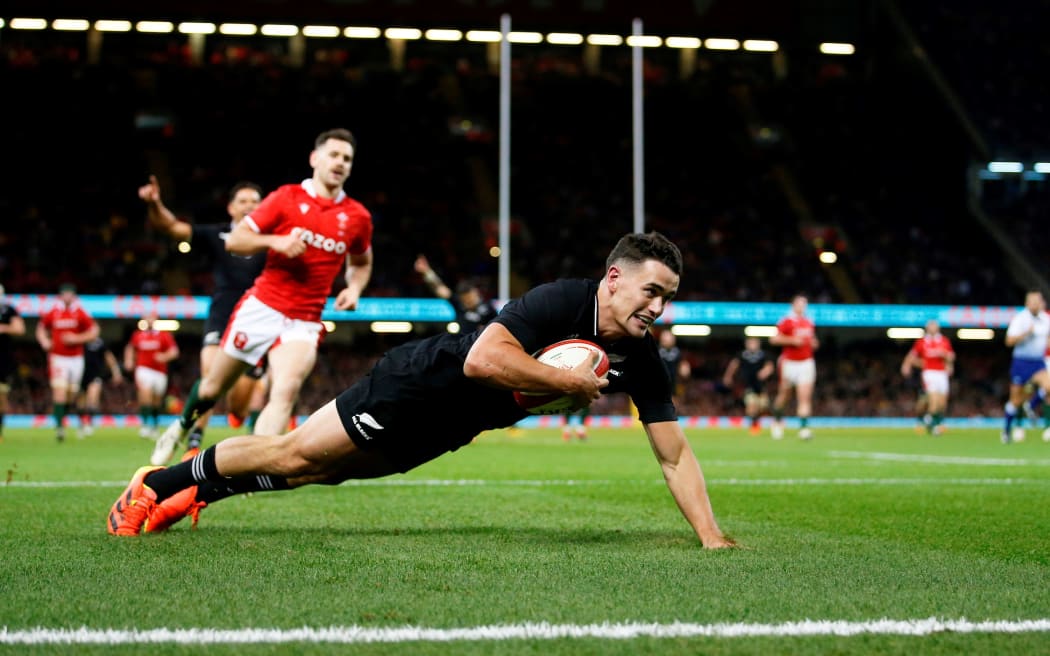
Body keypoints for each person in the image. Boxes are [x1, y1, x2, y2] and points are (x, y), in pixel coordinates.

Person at [106, 231, 736, 549]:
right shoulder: (561, 300)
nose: (658, 307)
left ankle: (200, 491)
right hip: (419, 383)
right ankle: (157, 483)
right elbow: (484, 361)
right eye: (651, 291)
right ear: (615, 278)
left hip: (452, 428)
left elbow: (674, 453)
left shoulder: (644, 359)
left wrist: (710, 537)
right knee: (295, 453)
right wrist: (567, 382)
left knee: (322, 475)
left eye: (668, 298)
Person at [149, 128, 374, 465]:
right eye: (333, 155)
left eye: (347, 158)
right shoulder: (285, 198)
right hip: (262, 307)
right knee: (212, 388)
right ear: (315, 158)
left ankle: (254, 466)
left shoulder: (357, 217)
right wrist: (277, 242)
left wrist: (354, 288)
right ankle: (179, 428)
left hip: (305, 319)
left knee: (285, 390)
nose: (340, 162)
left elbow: (361, 261)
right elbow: (236, 240)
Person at [139, 176, 267, 450]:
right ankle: (193, 441)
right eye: (243, 201)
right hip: (221, 315)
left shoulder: (271, 240)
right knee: (210, 376)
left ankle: (238, 415)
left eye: (255, 202)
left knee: (239, 405)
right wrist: (154, 203)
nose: (249, 206)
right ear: (231, 208)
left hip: (257, 321)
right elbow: (171, 227)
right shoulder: (217, 234)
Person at [35, 283, 99, 442]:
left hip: (75, 358)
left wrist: (77, 338)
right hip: (58, 358)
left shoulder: (80, 313)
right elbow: (41, 328)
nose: (67, 296)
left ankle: (66, 418)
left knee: (71, 395)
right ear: (61, 296)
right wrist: (44, 341)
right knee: (60, 392)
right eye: (65, 293)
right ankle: (59, 428)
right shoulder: (54, 312)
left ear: (74, 296)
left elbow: (94, 331)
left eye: (70, 293)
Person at [1001, 290, 1050, 444]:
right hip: (1021, 362)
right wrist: (1025, 334)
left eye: (1038, 301)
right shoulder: (1020, 319)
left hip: (1038, 362)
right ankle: (1006, 430)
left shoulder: (1046, 319)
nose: (1035, 304)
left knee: (1049, 385)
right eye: (1032, 301)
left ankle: (1031, 404)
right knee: (1015, 400)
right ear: (1027, 303)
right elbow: (1008, 341)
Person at [769, 294, 819, 440]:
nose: (802, 306)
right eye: (799, 303)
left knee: (804, 397)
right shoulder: (786, 321)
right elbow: (774, 339)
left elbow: (812, 339)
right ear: (793, 305)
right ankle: (777, 422)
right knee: (784, 395)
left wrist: (814, 343)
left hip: (806, 362)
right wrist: (792, 340)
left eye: (804, 304)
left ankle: (803, 429)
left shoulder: (809, 322)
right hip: (789, 363)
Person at [124, 311, 180, 439]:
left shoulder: (164, 335)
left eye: (151, 317)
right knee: (145, 394)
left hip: (159, 372)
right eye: (147, 317)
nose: (149, 320)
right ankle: (145, 425)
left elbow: (174, 351)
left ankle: (154, 425)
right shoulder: (138, 335)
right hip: (143, 369)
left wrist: (164, 356)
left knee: (156, 399)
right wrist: (129, 360)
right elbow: (130, 348)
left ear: (156, 319)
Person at [414, 255, 499, 334]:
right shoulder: (459, 305)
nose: (468, 303)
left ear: (476, 293)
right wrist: (427, 272)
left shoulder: (489, 309)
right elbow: (441, 289)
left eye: (470, 299)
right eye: (466, 301)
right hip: (463, 346)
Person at [899, 319, 955, 436]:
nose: (933, 328)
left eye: (934, 326)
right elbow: (911, 356)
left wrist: (948, 362)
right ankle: (934, 427)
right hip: (929, 373)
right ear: (927, 328)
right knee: (933, 400)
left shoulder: (944, 341)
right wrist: (906, 365)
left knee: (942, 403)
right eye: (931, 326)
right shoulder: (922, 342)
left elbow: (951, 357)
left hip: (942, 374)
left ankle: (928, 420)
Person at [721, 336, 775, 435]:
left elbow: (770, 366)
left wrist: (765, 372)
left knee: (763, 406)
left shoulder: (763, 355)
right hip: (748, 385)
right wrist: (728, 376)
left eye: (755, 343)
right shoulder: (742, 355)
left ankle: (758, 421)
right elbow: (734, 365)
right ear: (747, 344)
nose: (753, 345)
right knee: (751, 405)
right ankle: (754, 426)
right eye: (751, 343)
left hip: (761, 386)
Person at [77, 336, 124, 436]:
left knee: (93, 398)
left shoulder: (100, 343)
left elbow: (109, 357)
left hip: (95, 375)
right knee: (81, 403)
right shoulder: (79, 340)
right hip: (80, 375)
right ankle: (82, 423)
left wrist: (116, 372)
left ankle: (89, 423)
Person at [0, 284, 27, 441]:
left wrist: (3, 328)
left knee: (1, 397)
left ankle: (0, 432)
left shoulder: (8, 310)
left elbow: (20, 328)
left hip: (2, 360)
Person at [657, 329, 692, 406]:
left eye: (669, 338)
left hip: (674, 383)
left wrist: (684, 369)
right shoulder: (656, 351)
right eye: (665, 338)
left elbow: (683, 367)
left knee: (673, 404)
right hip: (659, 383)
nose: (667, 340)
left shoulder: (678, 352)